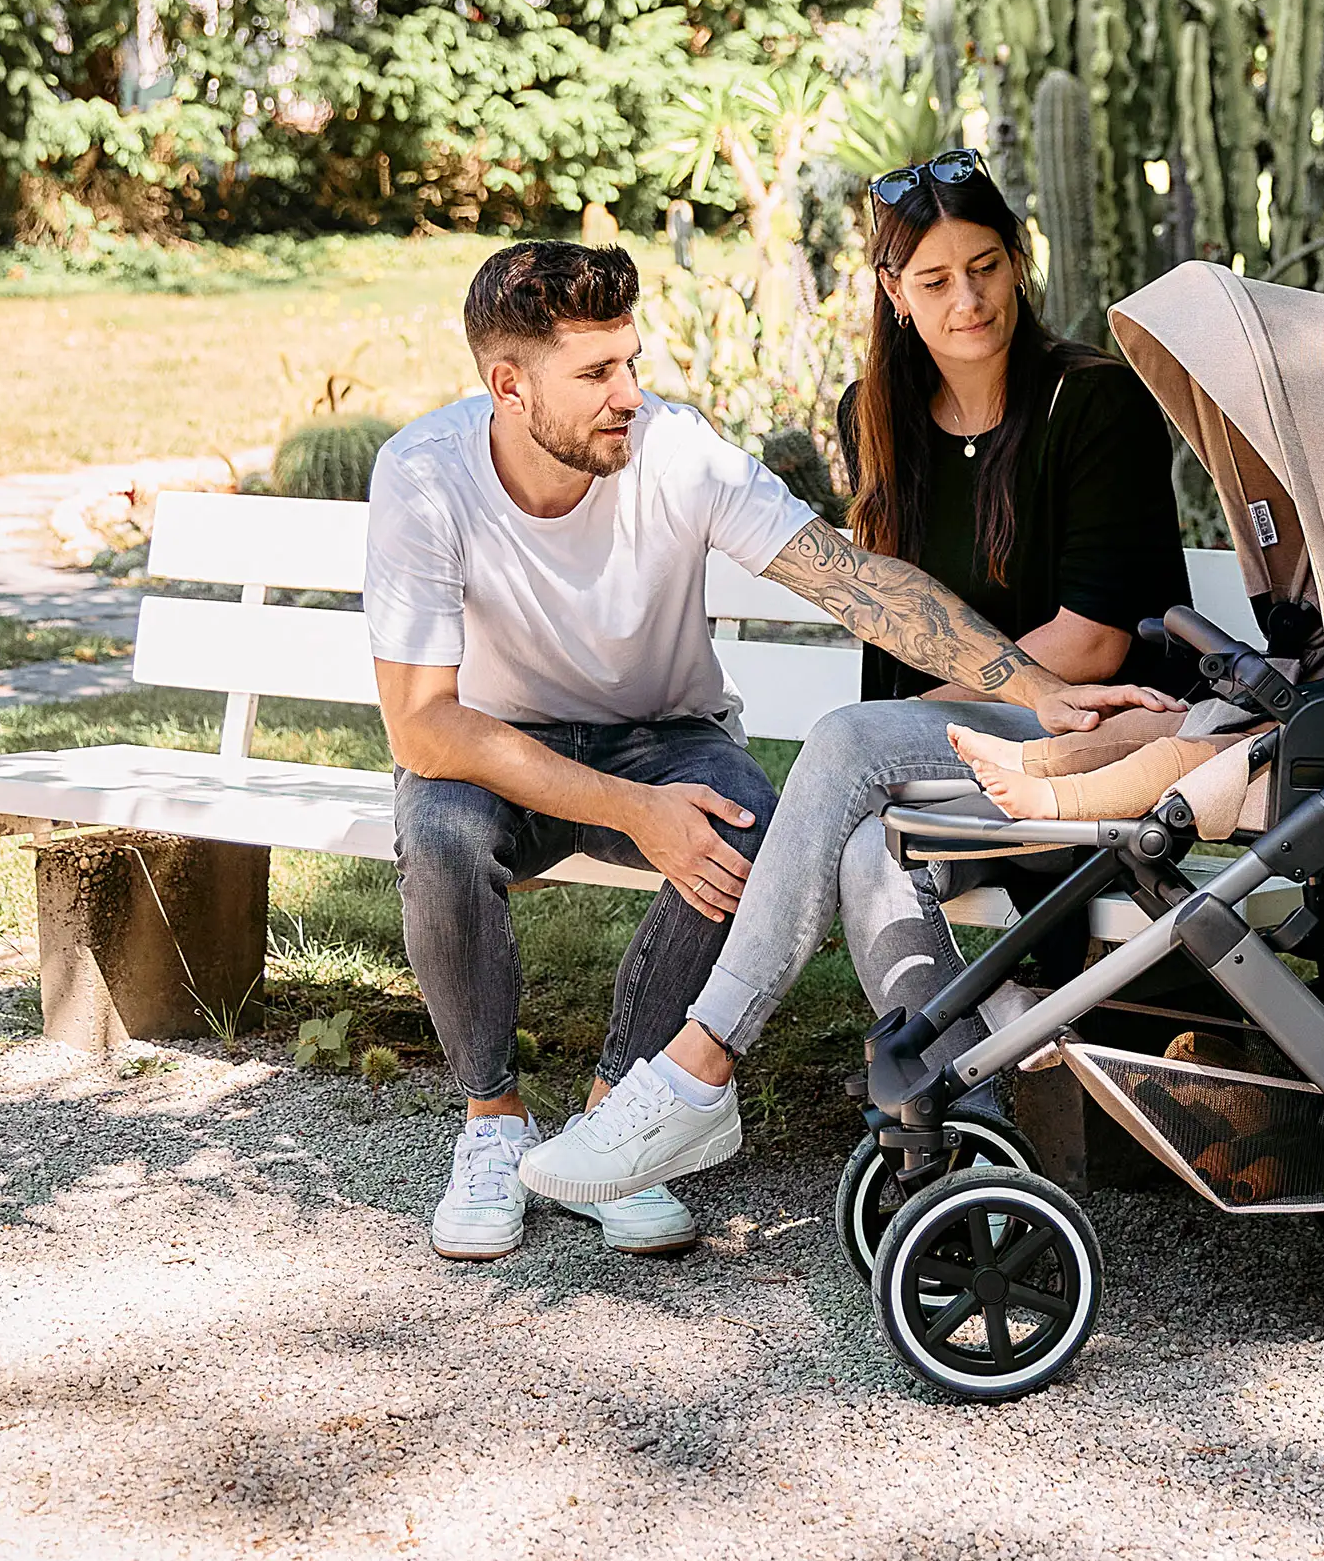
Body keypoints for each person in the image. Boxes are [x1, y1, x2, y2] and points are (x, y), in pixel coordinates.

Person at [365, 236, 1162, 1264]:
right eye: (598, 372)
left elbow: (853, 581)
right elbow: (423, 724)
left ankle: (618, 1123)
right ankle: (491, 1121)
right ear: (508, 385)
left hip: (664, 736)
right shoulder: (424, 475)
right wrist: (631, 811)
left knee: (746, 823)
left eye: (634, 361)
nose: (629, 393)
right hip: (493, 742)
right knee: (437, 827)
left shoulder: (673, 449)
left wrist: (1035, 685)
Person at [520, 152, 1192, 1211]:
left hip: (1105, 737)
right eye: (933, 278)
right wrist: (881, 743)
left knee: (844, 757)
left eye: (985, 266)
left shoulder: (1091, 403)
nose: (967, 298)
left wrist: (878, 738)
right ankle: (962, 1117)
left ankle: (697, 1067)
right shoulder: (874, 414)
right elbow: (891, 613)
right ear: (892, 292)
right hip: (958, 748)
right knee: (862, 830)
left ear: (1018, 264)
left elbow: (1097, 644)